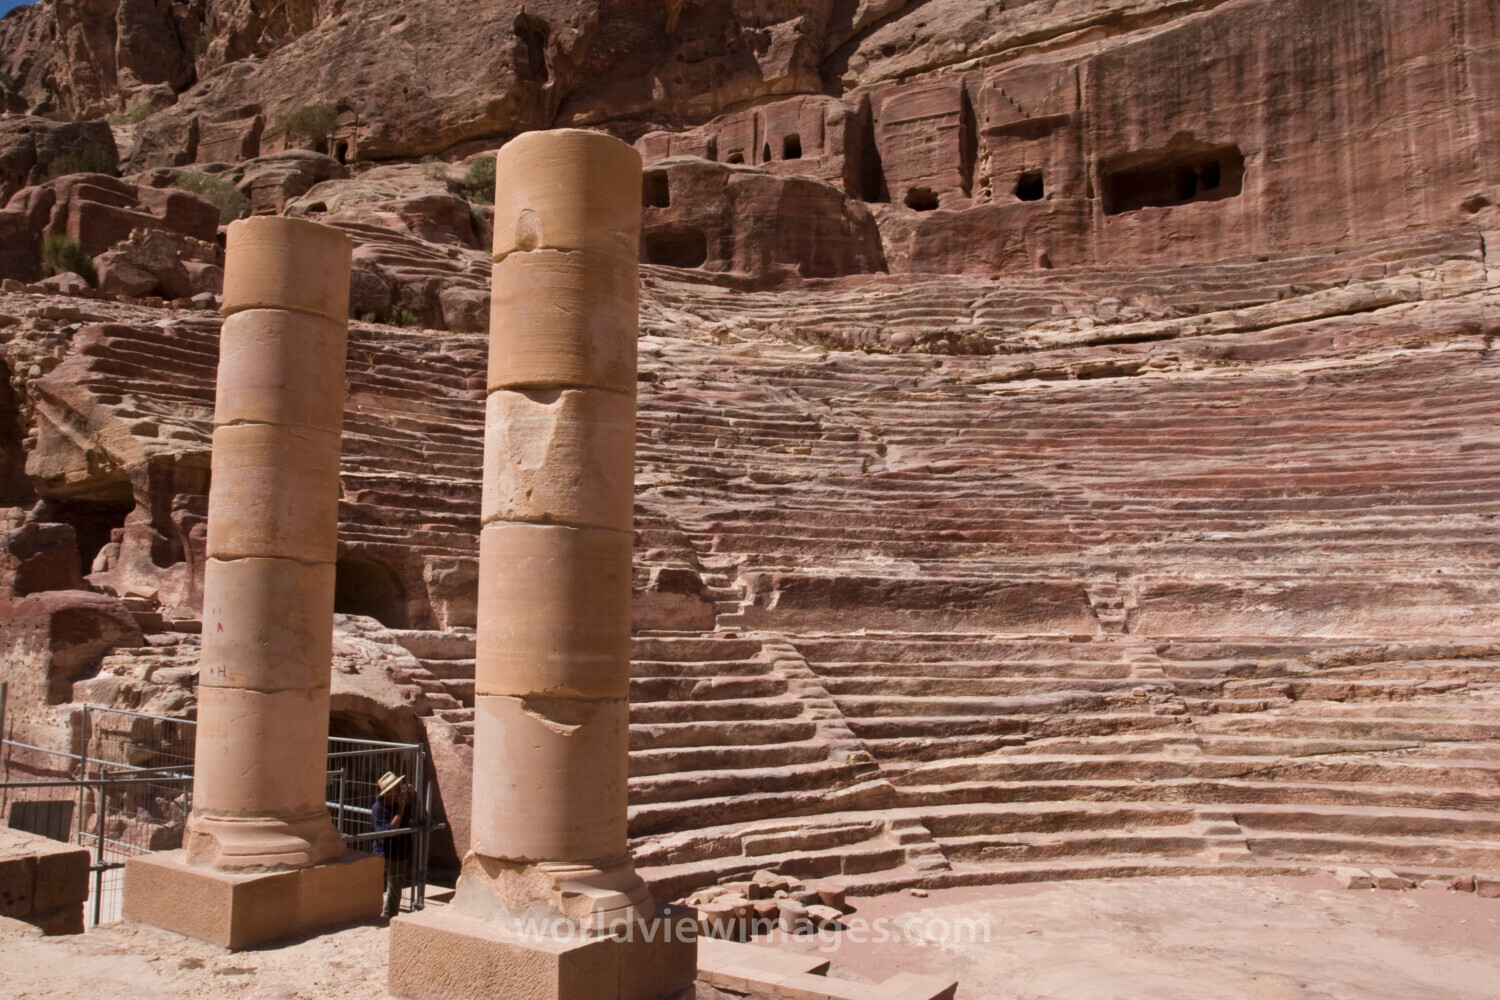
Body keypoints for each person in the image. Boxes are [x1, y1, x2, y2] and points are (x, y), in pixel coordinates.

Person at [372, 770, 417, 918]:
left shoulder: (401, 803)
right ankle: (375, 912)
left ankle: (389, 915)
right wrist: (400, 808)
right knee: (376, 884)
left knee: (395, 885)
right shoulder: (378, 808)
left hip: (400, 851)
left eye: (399, 788)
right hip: (383, 850)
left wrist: (412, 795)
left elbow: (415, 813)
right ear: (387, 793)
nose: (399, 792)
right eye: (396, 789)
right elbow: (390, 831)